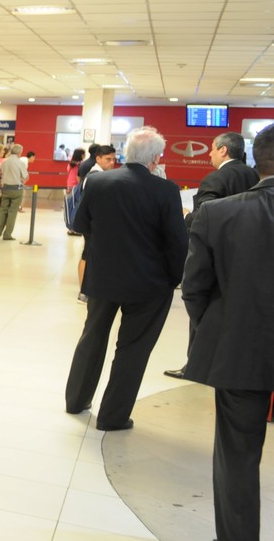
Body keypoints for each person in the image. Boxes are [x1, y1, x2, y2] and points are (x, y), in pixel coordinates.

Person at [180, 125, 274, 541]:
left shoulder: (218, 213)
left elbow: (195, 289)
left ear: (256, 161)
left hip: (241, 350)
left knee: (236, 457)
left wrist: (220, 331)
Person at [64, 127, 187, 432]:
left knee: (92, 336)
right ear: (156, 158)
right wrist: (173, 279)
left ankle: (76, 400)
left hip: (103, 276)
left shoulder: (99, 181)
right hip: (148, 282)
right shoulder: (166, 190)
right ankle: (112, 416)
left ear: (125, 153)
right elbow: (176, 242)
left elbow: (82, 225)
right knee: (133, 349)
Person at [164, 131, 260, 381]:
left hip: (217, 255)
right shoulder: (254, 176)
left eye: (212, 149)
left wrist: (186, 216)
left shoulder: (214, 179)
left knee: (204, 305)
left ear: (224, 151)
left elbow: (202, 218)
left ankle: (195, 363)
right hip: (249, 255)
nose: (208, 153)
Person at [75, 145, 118, 304]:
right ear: (98, 158)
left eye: (113, 159)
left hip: (93, 222)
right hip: (92, 223)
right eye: (108, 159)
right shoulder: (95, 176)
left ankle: (86, 289)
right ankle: (83, 291)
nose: (112, 163)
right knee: (87, 255)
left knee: (89, 255)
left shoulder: (100, 175)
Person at [0, 143, 28, 241]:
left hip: (5, 188)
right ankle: (7, 234)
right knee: (12, 212)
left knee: (3, 210)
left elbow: (1, 174)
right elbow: (25, 177)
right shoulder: (20, 163)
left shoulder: (5, 161)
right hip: (16, 189)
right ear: (20, 152)